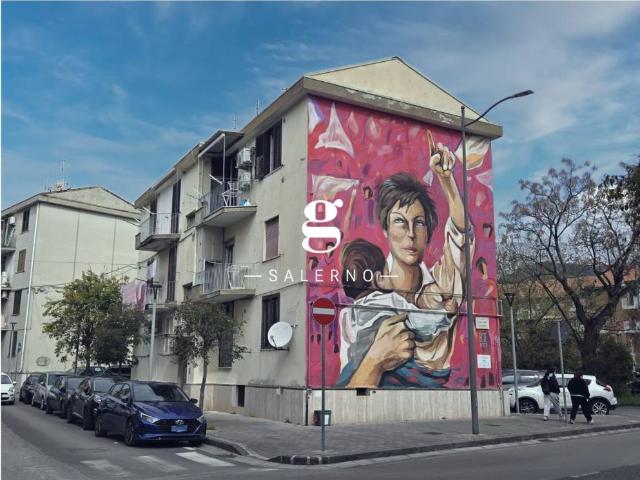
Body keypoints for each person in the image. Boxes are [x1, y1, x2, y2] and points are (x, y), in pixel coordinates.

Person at [341, 131, 473, 387]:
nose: (411, 234)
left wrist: (446, 180)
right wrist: (375, 361)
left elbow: (461, 235)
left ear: (429, 231)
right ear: (385, 229)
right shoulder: (364, 304)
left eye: (419, 223)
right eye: (400, 222)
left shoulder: (443, 284)